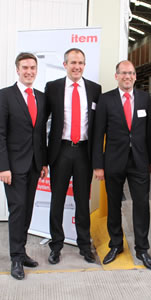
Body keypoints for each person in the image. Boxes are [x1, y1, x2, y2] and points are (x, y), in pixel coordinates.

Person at [93, 60, 151, 270]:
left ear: (135, 76)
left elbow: (150, 134)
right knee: (113, 205)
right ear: (116, 76)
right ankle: (116, 244)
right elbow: (97, 134)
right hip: (113, 161)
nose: (127, 77)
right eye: (123, 73)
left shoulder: (145, 99)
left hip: (139, 161)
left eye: (131, 73)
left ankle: (142, 248)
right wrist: (98, 165)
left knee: (141, 205)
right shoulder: (105, 100)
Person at [45, 48, 102, 264]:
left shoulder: (95, 89)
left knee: (81, 200)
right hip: (60, 151)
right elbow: (42, 122)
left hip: (84, 153)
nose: (77, 66)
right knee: (57, 200)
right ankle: (56, 245)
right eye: (73, 62)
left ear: (84, 65)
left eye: (80, 63)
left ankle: (84, 245)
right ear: (65, 64)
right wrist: (43, 158)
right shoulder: (53, 88)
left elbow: (97, 129)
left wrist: (98, 160)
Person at [0, 52, 48, 280]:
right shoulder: (5, 96)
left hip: (34, 165)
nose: (29, 71)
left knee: (27, 210)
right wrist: (3, 167)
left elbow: (39, 134)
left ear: (36, 70)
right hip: (13, 167)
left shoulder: (40, 96)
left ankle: (22, 251)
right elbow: (0, 134)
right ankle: (16, 259)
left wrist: (44, 162)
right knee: (17, 211)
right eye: (25, 67)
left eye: (32, 67)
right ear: (17, 70)